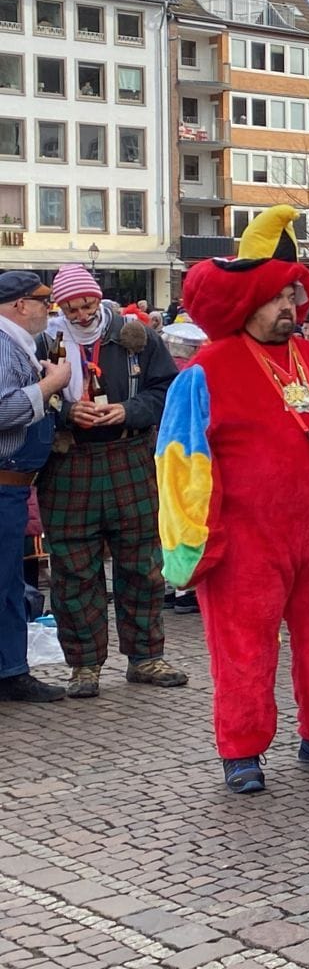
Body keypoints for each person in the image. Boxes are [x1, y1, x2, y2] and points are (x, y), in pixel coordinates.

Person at [156, 206, 309, 792]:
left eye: (291, 295)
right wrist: (194, 542)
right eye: (274, 298)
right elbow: (180, 464)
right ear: (242, 304)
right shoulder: (204, 373)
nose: (288, 308)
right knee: (244, 651)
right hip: (245, 540)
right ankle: (243, 749)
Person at [36, 265, 186, 698]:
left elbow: (164, 391)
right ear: (59, 306)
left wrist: (128, 410)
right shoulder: (45, 341)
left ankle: (145, 658)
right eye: (70, 307)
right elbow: (26, 397)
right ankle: (84, 665)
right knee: (72, 569)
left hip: (128, 455)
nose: (81, 314)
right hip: (69, 463)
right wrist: (65, 412)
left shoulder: (135, 337)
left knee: (141, 563)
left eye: (86, 304)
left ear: (96, 298)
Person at [0, 271, 70, 702]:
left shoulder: (17, 344)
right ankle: (10, 671)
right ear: (20, 305)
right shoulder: (3, 346)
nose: (50, 309)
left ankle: (11, 668)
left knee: (8, 582)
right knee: (4, 582)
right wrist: (50, 385)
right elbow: (3, 411)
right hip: (4, 483)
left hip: (13, 485)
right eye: (43, 301)